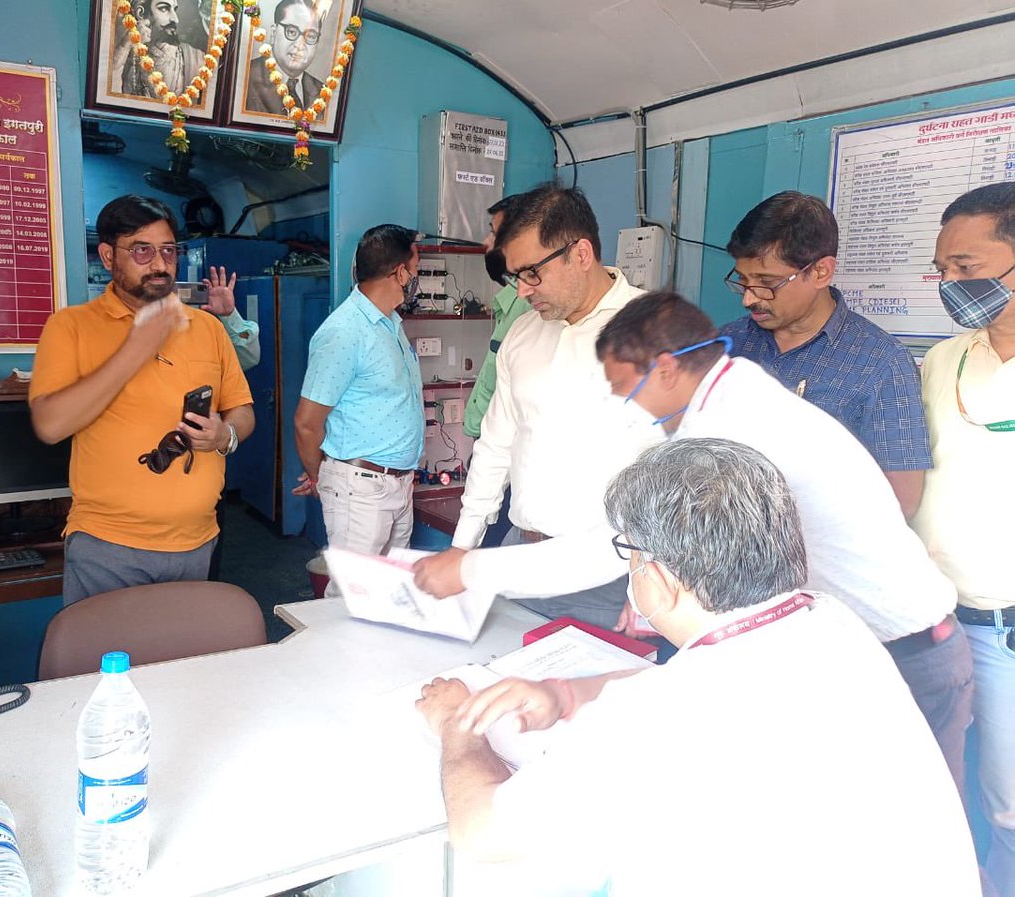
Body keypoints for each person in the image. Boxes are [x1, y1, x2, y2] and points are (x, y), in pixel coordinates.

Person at [419, 292, 973, 793]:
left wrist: (471, 570)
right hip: (865, 648)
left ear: (664, 369)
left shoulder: (729, 432)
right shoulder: (737, 394)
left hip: (902, 656)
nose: (628, 408)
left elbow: (605, 547)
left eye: (624, 390)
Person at [417, 438, 981, 897]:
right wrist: (567, 696)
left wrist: (457, 727)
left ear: (657, 580)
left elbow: (479, 832)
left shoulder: (660, 717)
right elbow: (728, 685)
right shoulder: (828, 621)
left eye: (629, 555)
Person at [418, 184, 661, 628]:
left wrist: (657, 580)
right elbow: (495, 445)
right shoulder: (523, 335)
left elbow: (676, 469)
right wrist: (463, 545)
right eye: (516, 276)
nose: (524, 291)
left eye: (532, 273)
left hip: (607, 575)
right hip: (519, 553)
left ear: (581, 254)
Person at [29, 195, 254, 606]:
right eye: (141, 250)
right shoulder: (70, 327)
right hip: (108, 547)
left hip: (197, 541)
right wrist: (138, 345)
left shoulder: (206, 327)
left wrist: (226, 435)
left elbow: (242, 409)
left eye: (168, 250)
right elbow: (50, 424)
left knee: (181, 663)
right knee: (106, 664)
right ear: (107, 256)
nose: (159, 263)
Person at [916, 182, 1015, 897]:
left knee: (1010, 802)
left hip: (1009, 632)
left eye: (968, 265)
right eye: (943, 268)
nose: (952, 283)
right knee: (934, 784)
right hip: (935, 621)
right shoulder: (943, 359)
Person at [720, 191, 931, 518]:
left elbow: (900, 500)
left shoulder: (881, 363)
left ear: (821, 272)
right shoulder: (727, 343)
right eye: (743, 281)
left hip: (814, 560)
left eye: (766, 282)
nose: (749, 299)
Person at [292, 225, 423, 597]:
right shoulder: (345, 332)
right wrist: (323, 478)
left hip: (398, 484)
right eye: (415, 270)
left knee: (390, 592)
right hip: (361, 489)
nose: (416, 280)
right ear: (399, 272)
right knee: (352, 597)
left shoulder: (391, 325)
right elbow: (306, 423)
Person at [462, 194, 532, 439]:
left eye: (493, 233)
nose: (486, 242)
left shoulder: (528, 308)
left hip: (505, 447)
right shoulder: (511, 304)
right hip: (490, 442)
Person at [245, 0, 324, 115]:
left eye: (311, 36)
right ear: (273, 33)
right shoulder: (245, 77)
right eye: (291, 32)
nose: (300, 45)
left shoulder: (322, 92)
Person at [121, 0, 207, 98]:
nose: (175, 19)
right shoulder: (127, 57)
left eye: (175, 9)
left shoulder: (197, 59)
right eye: (164, 8)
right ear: (141, 13)